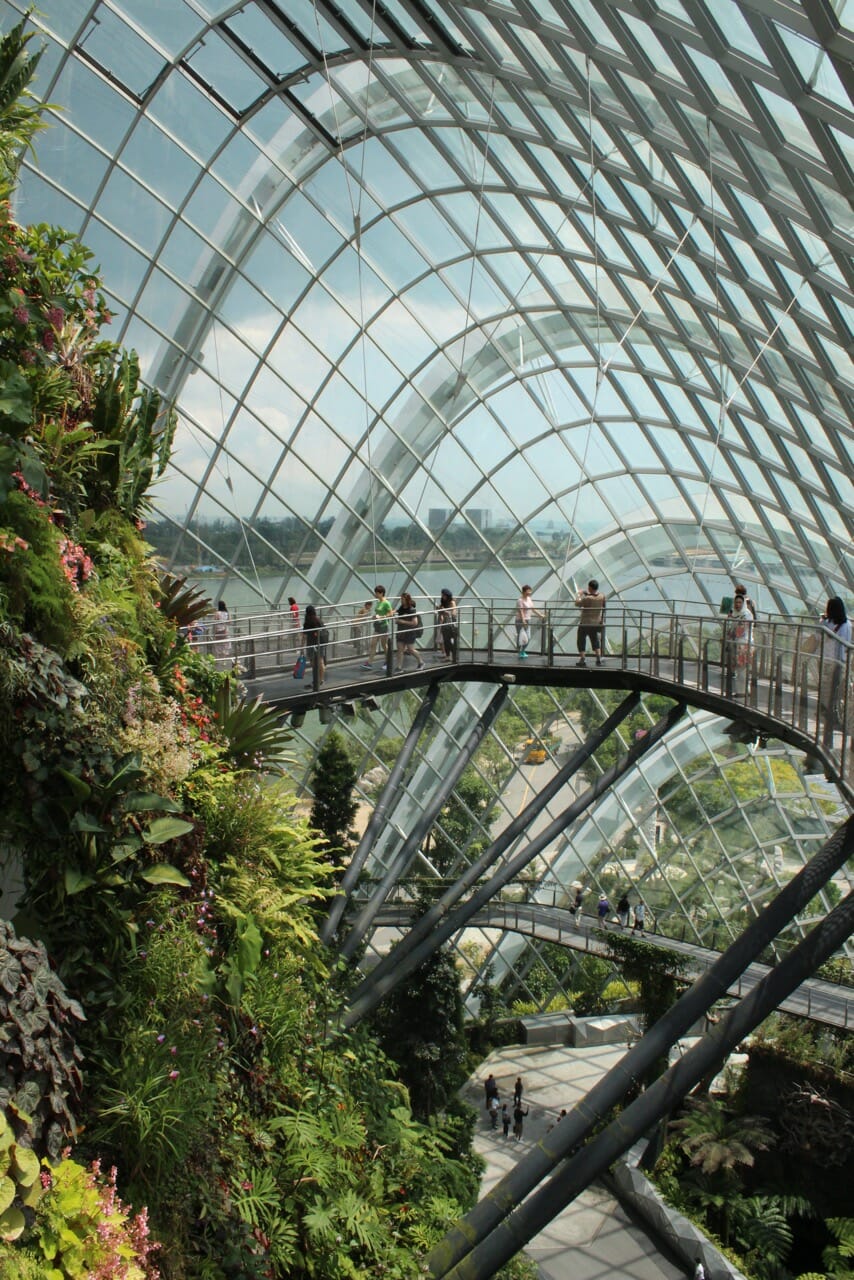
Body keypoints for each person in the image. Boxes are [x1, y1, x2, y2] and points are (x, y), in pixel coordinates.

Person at [818, 597, 851, 734]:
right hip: (835, 661)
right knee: (833, 690)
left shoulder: (834, 623)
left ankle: (830, 716)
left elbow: (820, 635)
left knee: (831, 690)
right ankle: (831, 717)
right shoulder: (842, 624)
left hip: (830, 661)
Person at [725, 593, 753, 696]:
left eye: (740, 602)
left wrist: (731, 634)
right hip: (736, 643)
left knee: (742, 668)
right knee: (739, 668)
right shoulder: (734, 614)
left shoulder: (746, 614)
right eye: (736, 602)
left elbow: (741, 630)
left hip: (744, 643)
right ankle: (744, 690)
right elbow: (731, 628)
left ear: (743, 603)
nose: (737, 604)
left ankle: (742, 691)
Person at [574, 579, 606, 666]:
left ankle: (582, 659)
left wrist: (579, 595)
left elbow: (577, 603)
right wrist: (587, 593)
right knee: (595, 640)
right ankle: (598, 658)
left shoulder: (587, 598)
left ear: (590, 587)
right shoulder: (602, 596)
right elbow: (598, 601)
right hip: (596, 622)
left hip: (585, 622)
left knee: (581, 640)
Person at [361, 584, 394, 668]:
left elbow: (390, 614)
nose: (375, 595)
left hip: (383, 626)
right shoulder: (379, 602)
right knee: (373, 644)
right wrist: (374, 616)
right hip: (377, 626)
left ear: (381, 593)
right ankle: (369, 663)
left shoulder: (386, 603)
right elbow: (378, 612)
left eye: (376, 593)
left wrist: (382, 617)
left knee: (384, 645)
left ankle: (388, 660)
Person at [396, 591, 424, 670]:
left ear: (407, 600)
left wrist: (402, 621)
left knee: (410, 649)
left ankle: (421, 662)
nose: (401, 600)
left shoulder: (412, 610)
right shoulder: (401, 608)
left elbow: (415, 623)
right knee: (400, 650)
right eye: (401, 599)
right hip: (401, 631)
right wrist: (397, 620)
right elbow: (398, 616)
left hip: (409, 632)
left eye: (403, 599)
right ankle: (399, 667)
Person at [515, 584, 543, 659]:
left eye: (530, 591)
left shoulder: (529, 599)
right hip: (520, 620)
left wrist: (540, 615)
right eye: (528, 591)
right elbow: (520, 611)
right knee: (521, 636)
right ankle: (520, 651)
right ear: (524, 591)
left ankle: (522, 650)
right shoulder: (520, 600)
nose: (530, 592)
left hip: (528, 620)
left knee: (528, 637)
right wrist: (523, 620)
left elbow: (533, 608)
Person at [302, 604, 327, 684]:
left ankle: (316, 679)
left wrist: (301, 646)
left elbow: (304, 635)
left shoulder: (307, 622)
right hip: (320, 643)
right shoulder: (319, 620)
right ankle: (321, 679)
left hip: (311, 644)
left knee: (313, 662)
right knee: (321, 661)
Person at [437, 587, 457, 661]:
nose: (442, 597)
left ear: (447, 595)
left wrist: (445, 611)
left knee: (450, 640)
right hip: (445, 623)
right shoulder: (443, 603)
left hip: (451, 623)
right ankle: (448, 656)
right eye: (442, 595)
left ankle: (454, 655)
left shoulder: (452, 602)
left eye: (444, 595)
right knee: (446, 640)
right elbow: (440, 611)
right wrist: (440, 609)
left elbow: (454, 613)